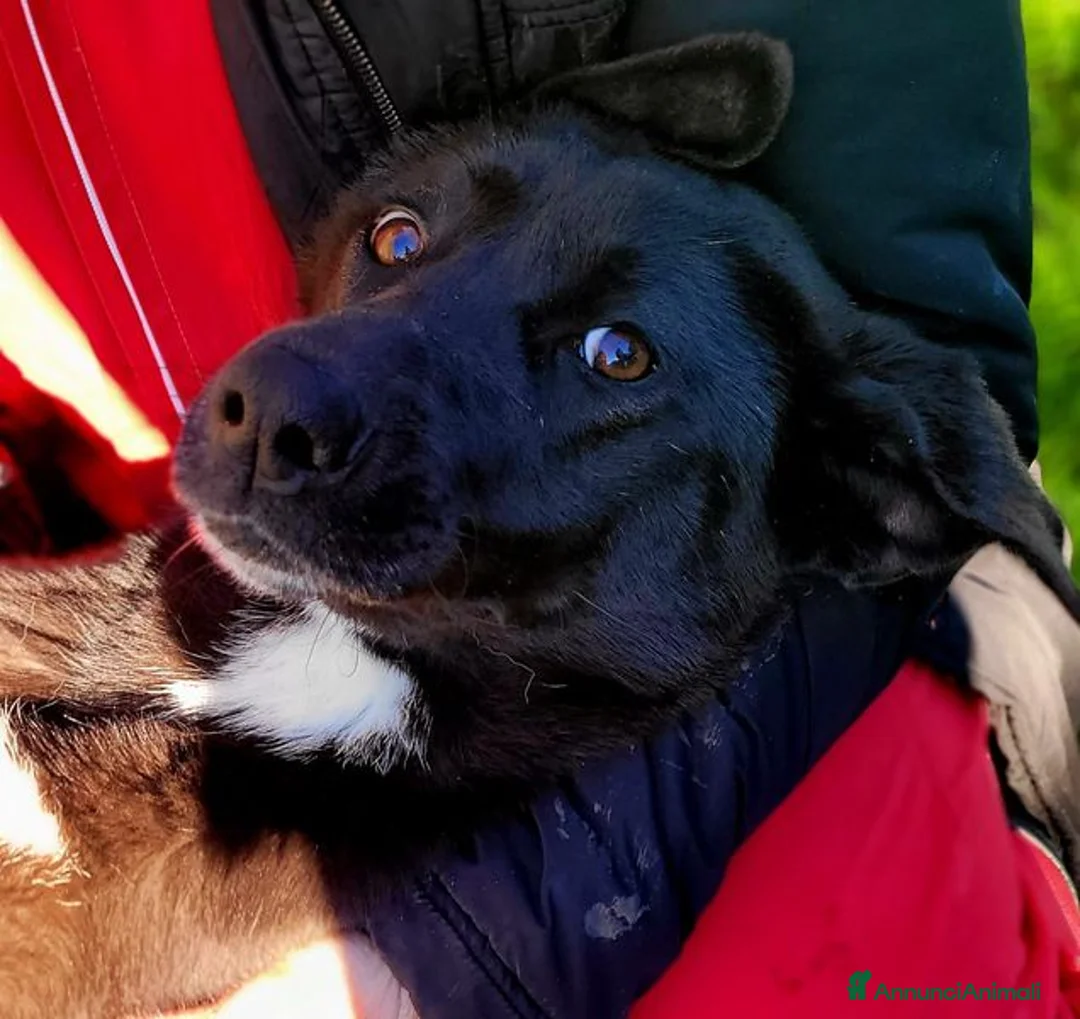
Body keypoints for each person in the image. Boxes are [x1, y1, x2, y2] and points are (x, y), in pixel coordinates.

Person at [2, 1, 1079, 1016]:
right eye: (402, 244)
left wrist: (444, 947)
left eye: (616, 358)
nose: (287, 384)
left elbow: (954, 402)